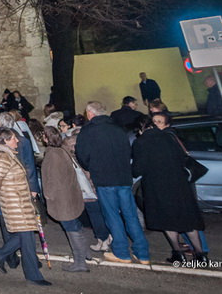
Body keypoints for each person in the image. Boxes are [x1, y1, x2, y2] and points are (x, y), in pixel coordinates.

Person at [75, 101, 150, 264]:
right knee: (130, 215)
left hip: (104, 178)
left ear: (90, 114)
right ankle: (142, 252)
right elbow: (127, 151)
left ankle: (122, 252)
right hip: (123, 178)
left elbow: (82, 155)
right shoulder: (118, 129)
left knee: (112, 215)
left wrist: (92, 167)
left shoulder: (88, 131)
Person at [132, 112, 206, 262]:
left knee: (167, 219)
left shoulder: (141, 142)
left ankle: (178, 253)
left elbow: (138, 170)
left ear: (140, 129)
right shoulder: (169, 137)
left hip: (158, 186)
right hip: (180, 184)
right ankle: (200, 254)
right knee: (187, 219)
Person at [0, 128, 50, 286]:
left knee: (25, 236)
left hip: (19, 201)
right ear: (6, 140)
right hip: (15, 204)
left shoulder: (8, 155)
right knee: (27, 237)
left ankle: (0, 254)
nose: (17, 141)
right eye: (14, 138)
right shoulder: (3, 157)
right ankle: (33, 275)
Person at [41, 126, 91, 272]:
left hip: (63, 200)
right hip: (69, 196)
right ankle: (85, 252)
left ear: (45, 138)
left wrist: (48, 194)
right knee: (75, 225)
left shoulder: (53, 155)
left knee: (71, 228)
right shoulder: (62, 151)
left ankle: (80, 262)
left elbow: (54, 180)